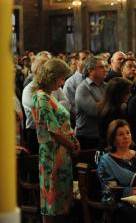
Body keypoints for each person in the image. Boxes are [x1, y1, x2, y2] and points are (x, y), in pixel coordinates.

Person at [31, 59, 80, 223]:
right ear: (52, 77)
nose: (62, 83)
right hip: (52, 155)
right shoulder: (41, 98)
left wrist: (73, 140)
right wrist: (72, 145)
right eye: (61, 78)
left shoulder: (49, 95)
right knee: (51, 200)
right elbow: (54, 130)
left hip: (61, 153)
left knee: (61, 200)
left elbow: (63, 125)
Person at [22, 56, 71, 154]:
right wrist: (71, 145)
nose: (63, 82)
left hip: (59, 138)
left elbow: (67, 105)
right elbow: (48, 121)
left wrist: (55, 106)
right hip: (39, 135)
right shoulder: (32, 91)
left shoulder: (53, 88)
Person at [75, 56, 108, 149]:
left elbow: (120, 106)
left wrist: (100, 103)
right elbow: (94, 111)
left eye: (105, 67)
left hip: (103, 136)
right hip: (87, 137)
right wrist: (110, 102)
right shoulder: (83, 88)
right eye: (101, 67)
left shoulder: (106, 86)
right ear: (90, 71)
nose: (105, 70)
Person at [98, 77, 132, 150]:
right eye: (127, 92)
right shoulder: (115, 112)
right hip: (114, 151)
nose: (130, 95)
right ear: (119, 94)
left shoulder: (104, 107)